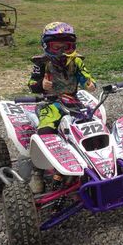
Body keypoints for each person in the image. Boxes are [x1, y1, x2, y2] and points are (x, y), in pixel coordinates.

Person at [27, 22, 96, 192]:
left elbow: (85, 76)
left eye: (66, 46)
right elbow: (32, 83)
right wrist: (41, 85)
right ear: (46, 46)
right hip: (50, 103)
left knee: (91, 124)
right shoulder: (41, 63)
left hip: (73, 101)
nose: (62, 51)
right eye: (56, 47)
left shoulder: (77, 61)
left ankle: (94, 160)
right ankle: (37, 172)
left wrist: (89, 83)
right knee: (45, 132)